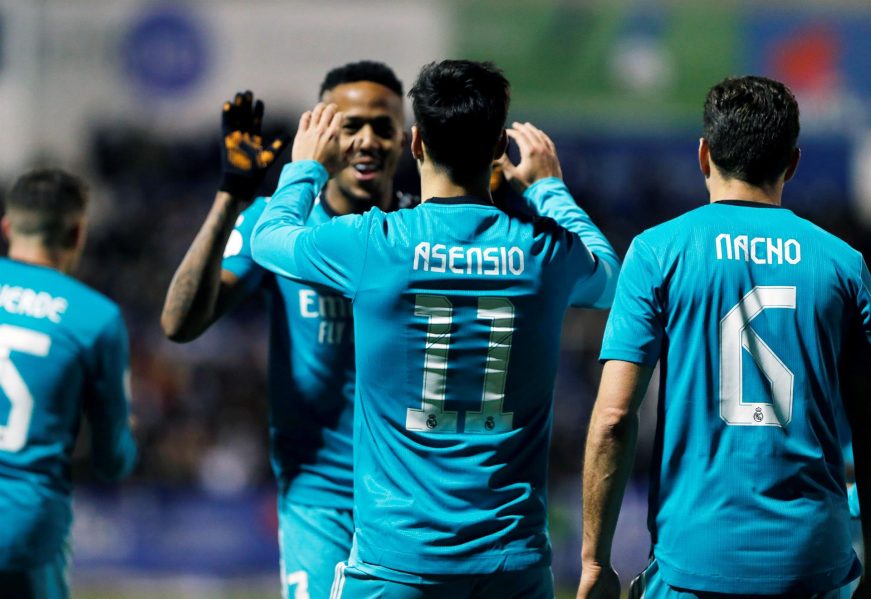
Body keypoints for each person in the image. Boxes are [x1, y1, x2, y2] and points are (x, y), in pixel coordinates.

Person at [250, 59, 620, 598]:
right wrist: (549, 190)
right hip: (509, 562)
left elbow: (268, 239)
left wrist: (304, 169)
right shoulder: (541, 251)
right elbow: (608, 276)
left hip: (396, 564)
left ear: (415, 141)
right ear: (499, 148)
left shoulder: (375, 243)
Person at [578, 75, 871, 598]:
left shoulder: (656, 252)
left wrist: (595, 562)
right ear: (794, 162)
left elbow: (615, 417)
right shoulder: (844, 264)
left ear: (703, 154)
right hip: (814, 564)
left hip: (695, 562)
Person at [160, 61, 413, 599]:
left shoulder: (423, 229)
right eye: (350, 125)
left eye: (382, 126)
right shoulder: (278, 224)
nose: (366, 140)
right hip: (317, 491)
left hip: (410, 490)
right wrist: (232, 196)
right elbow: (179, 323)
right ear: (321, 130)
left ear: (406, 139)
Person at [0, 169, 137, 598]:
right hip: (26, 526)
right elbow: (112, 460)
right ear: (78, 233)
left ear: (6, 227)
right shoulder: (94, 317)